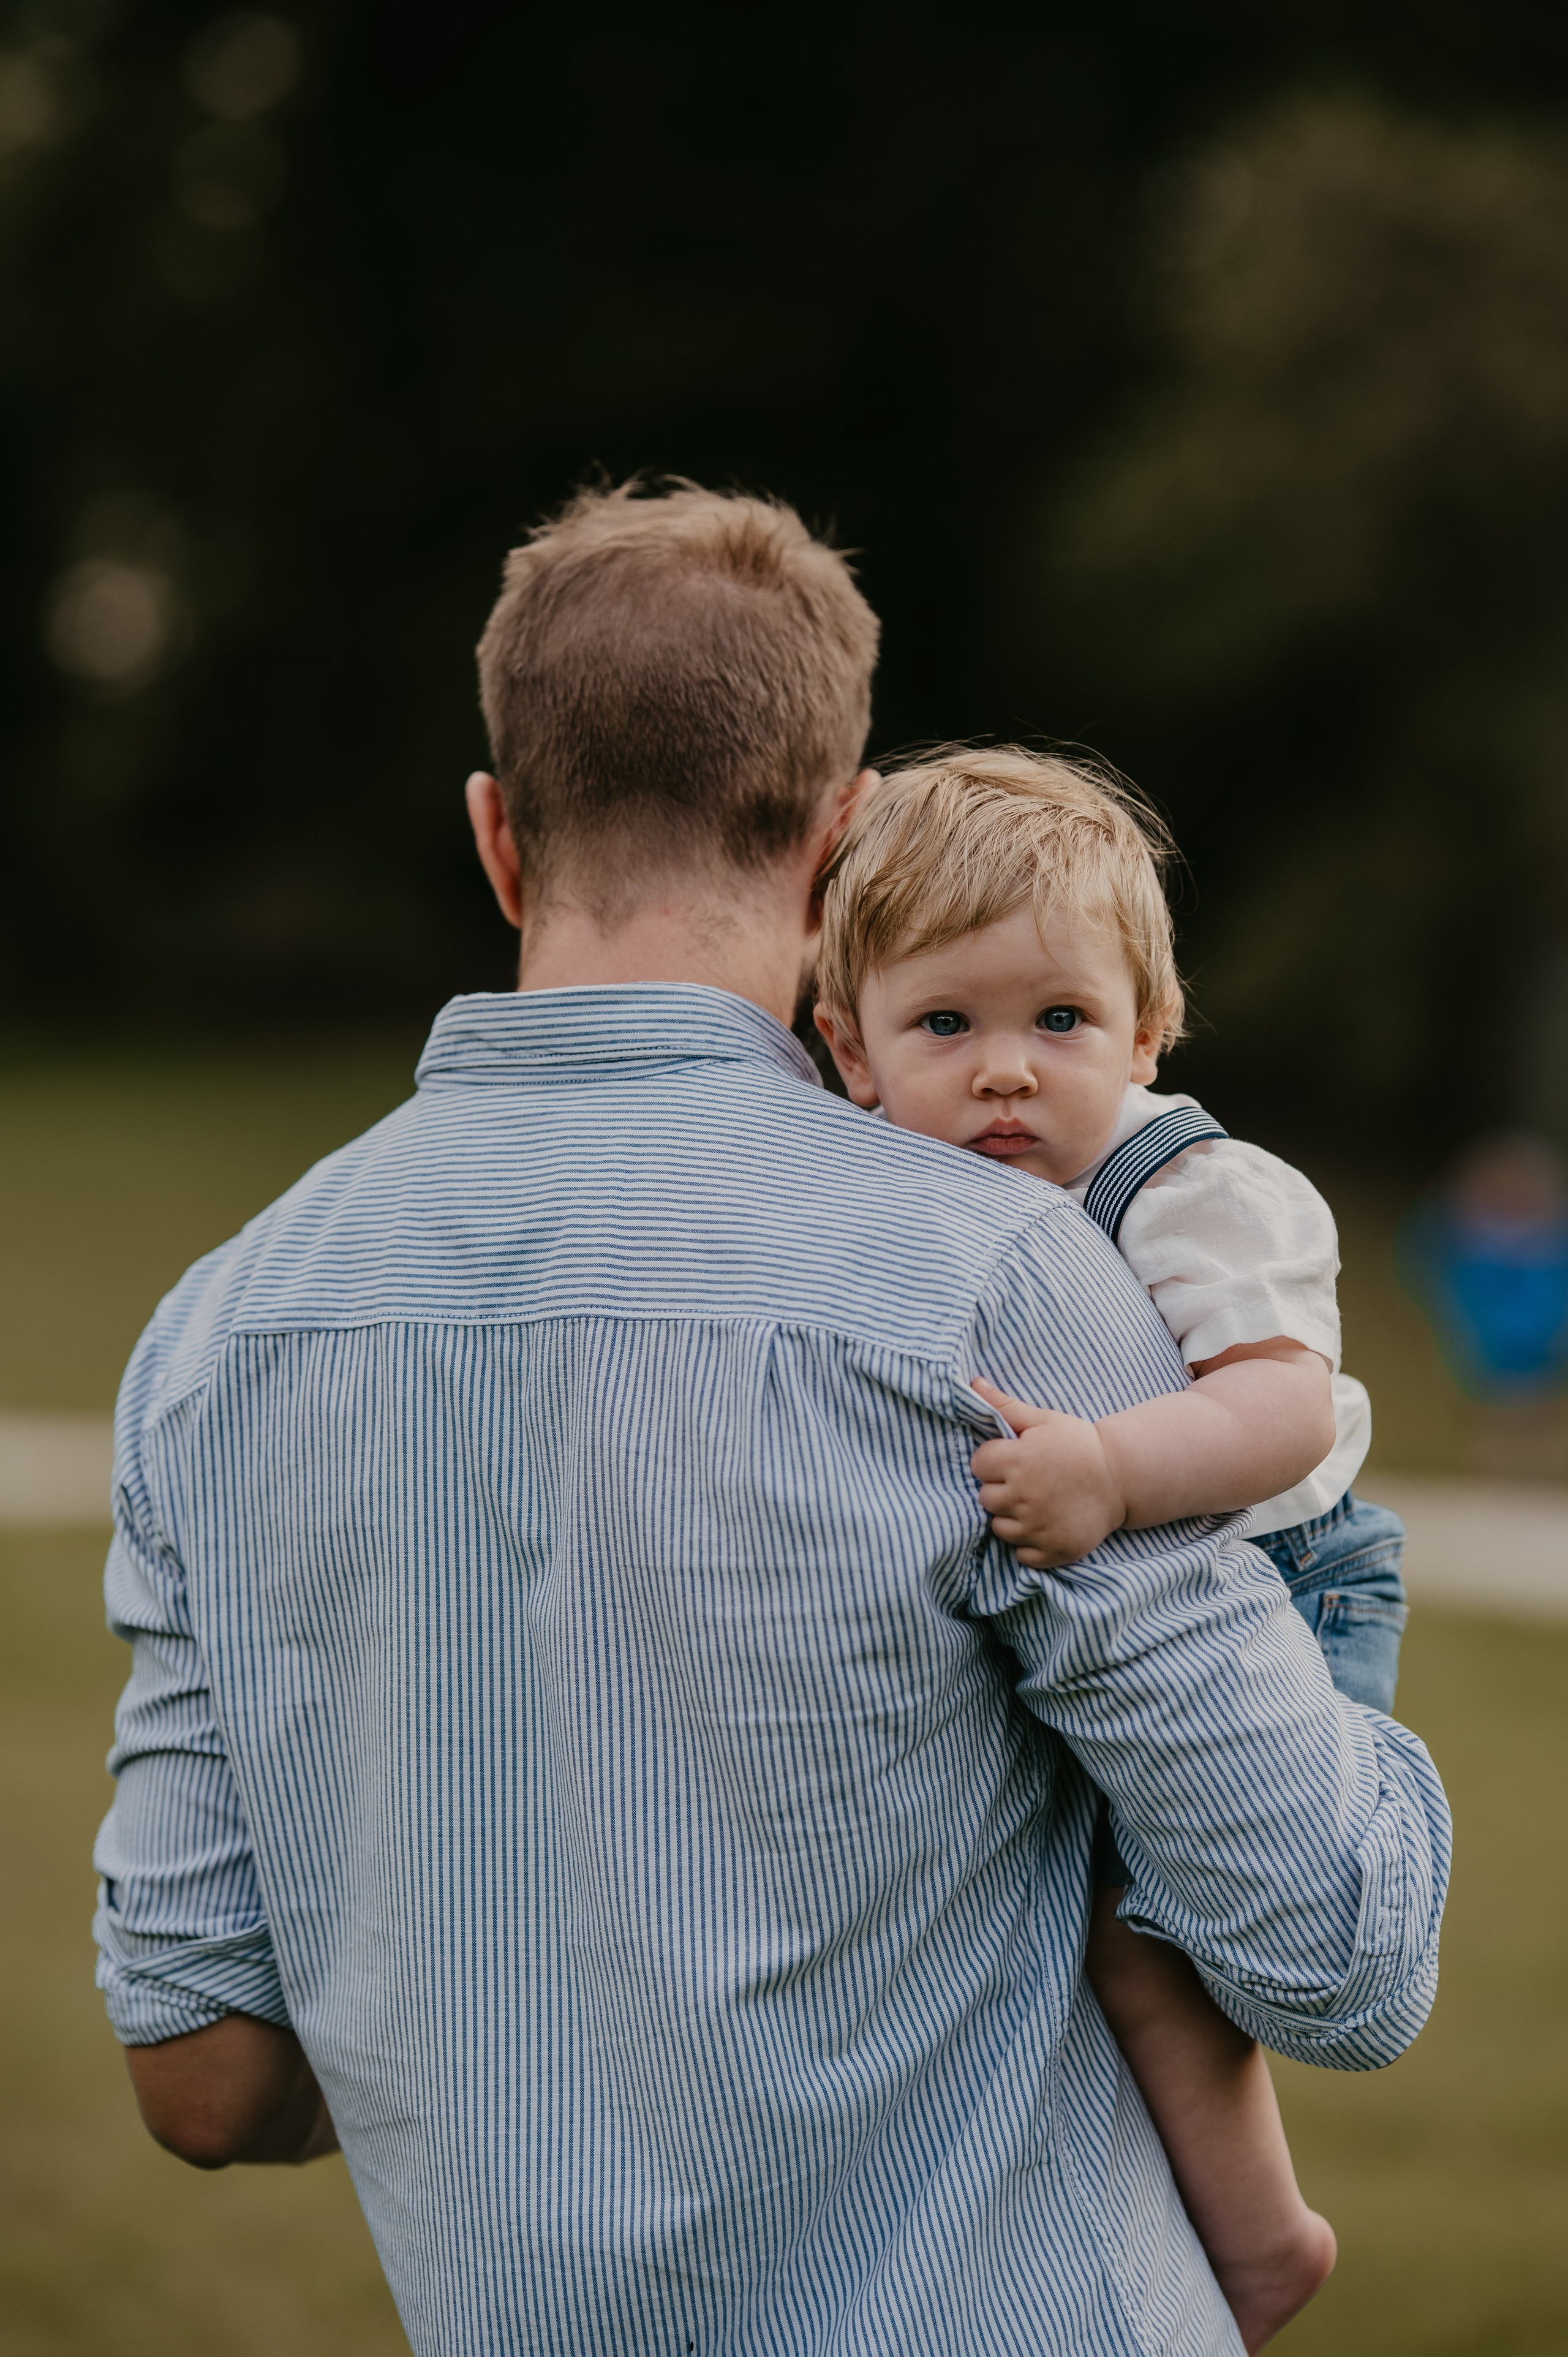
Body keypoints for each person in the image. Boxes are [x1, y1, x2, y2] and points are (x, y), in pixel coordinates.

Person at [94, 480, 1450, 2357]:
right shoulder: (997, 1282)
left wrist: (501, 2045)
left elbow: (203, 2078)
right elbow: (1338, 1956)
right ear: (838, 846)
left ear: (500, 841)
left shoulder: (213, 1334)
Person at [813, 745, 1412, 2347]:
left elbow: (1283, 1411)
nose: (1007, 1071)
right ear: (848, 1051)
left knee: (1145, 1951)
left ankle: (1266, 2237)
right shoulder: (891, 1190)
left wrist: (1111, 1472)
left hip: (1288, 1578)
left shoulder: (1199, 1189)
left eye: (1060, 1022)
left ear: (1147, 1032)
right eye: (947, 1025)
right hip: (1119, 1575)